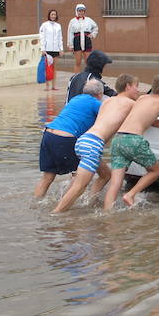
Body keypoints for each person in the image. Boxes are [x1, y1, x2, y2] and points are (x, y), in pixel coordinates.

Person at [52, 74, 142, 213]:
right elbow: (149, 115)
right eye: (136, 86)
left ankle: (88, 202)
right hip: (93, 144)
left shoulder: (108, 102)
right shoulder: (130, 104)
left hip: (84, 140)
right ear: (128, 86)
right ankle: (55, 214)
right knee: (80, 186)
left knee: (106, 175)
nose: (138, 90)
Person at [104, 75, 159, 209]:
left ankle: (107, 213)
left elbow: (153, 119)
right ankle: (131, 194)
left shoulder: (143, 98)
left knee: (115, 183)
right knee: (155, 171)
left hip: (118, 139)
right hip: (134, 140)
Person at [33, 80, 109, 199]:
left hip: (48, 134)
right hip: (65, 137)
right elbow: (110, 119)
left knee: (47, 177)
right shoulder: (96, 103)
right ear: (100, 94)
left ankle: (36, 204)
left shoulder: (76, 99)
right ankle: (65, 206)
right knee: (77, 176)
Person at [67, 3, 99, 73]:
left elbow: (95, 27)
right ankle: (76, 78)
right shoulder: (73, 21)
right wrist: (70, 45)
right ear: (76, 11)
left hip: (86, 40)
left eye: (82, 11)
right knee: (78, 62)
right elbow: (70, 33)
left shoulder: (89, 20)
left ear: (84, 11)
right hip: (77, 41)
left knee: (88, 61)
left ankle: (88, 77)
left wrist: (92, 34)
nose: (81, 12)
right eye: (79, 11)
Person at [39, 9, 64, 91]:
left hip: (56, 49)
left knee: (54, 68)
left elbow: (60, 38)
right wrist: (43, 49)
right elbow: (42, 37)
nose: (53, 16)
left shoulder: (58, 26)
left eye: (54, 14)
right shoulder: (44, 25)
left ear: (56, 16)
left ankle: (54, 86)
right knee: (48, 68)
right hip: (47, 49)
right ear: (49, 15)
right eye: (52, 14)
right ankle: (47, 86)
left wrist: (61, 49)